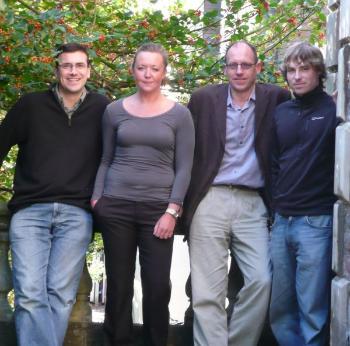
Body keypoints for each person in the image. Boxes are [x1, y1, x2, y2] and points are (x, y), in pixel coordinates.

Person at [181, 40, 290, 346]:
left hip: (253, 202)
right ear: (225, 67)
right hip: (210, 199)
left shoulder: (276, 98)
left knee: (261, 280)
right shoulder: (203, 99)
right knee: (207, 291)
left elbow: (298, 122)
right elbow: (185, 152)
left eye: (245, 65)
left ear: (258, 67)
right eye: (233, 65)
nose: (239, 71)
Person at [0, 43, 110, 346]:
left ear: (89, 70)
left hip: (76, 214)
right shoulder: (30, 106)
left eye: (79, 65)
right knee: (29, 293)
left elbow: (116, 157)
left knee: (60, 296)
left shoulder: (103, 108)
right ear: (57, 70)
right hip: (30, 211)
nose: (73, 71)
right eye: (66, 65)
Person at [91, 42, 195, 346]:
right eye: (141, 67)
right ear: (132, 70)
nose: (147, 73)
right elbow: (105, 159)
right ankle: (116, 341)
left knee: (157, 285)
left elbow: (184, 168)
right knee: (119, 285)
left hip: (157, 211)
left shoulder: (180, 115)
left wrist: (172, 211)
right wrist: (99, 200)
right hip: (116, 206)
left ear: (164, 73)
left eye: (154, 68)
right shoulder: (113, 111)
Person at [269, 41, 341, 346]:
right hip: (281, 221)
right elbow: (273, 163)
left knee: (312, 308)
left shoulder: (334, 110)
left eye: (305, 69)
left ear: (319, 72)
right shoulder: (280, 112)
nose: (297, 76)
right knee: (281, 309)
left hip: (316, 222)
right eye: (292, 70)